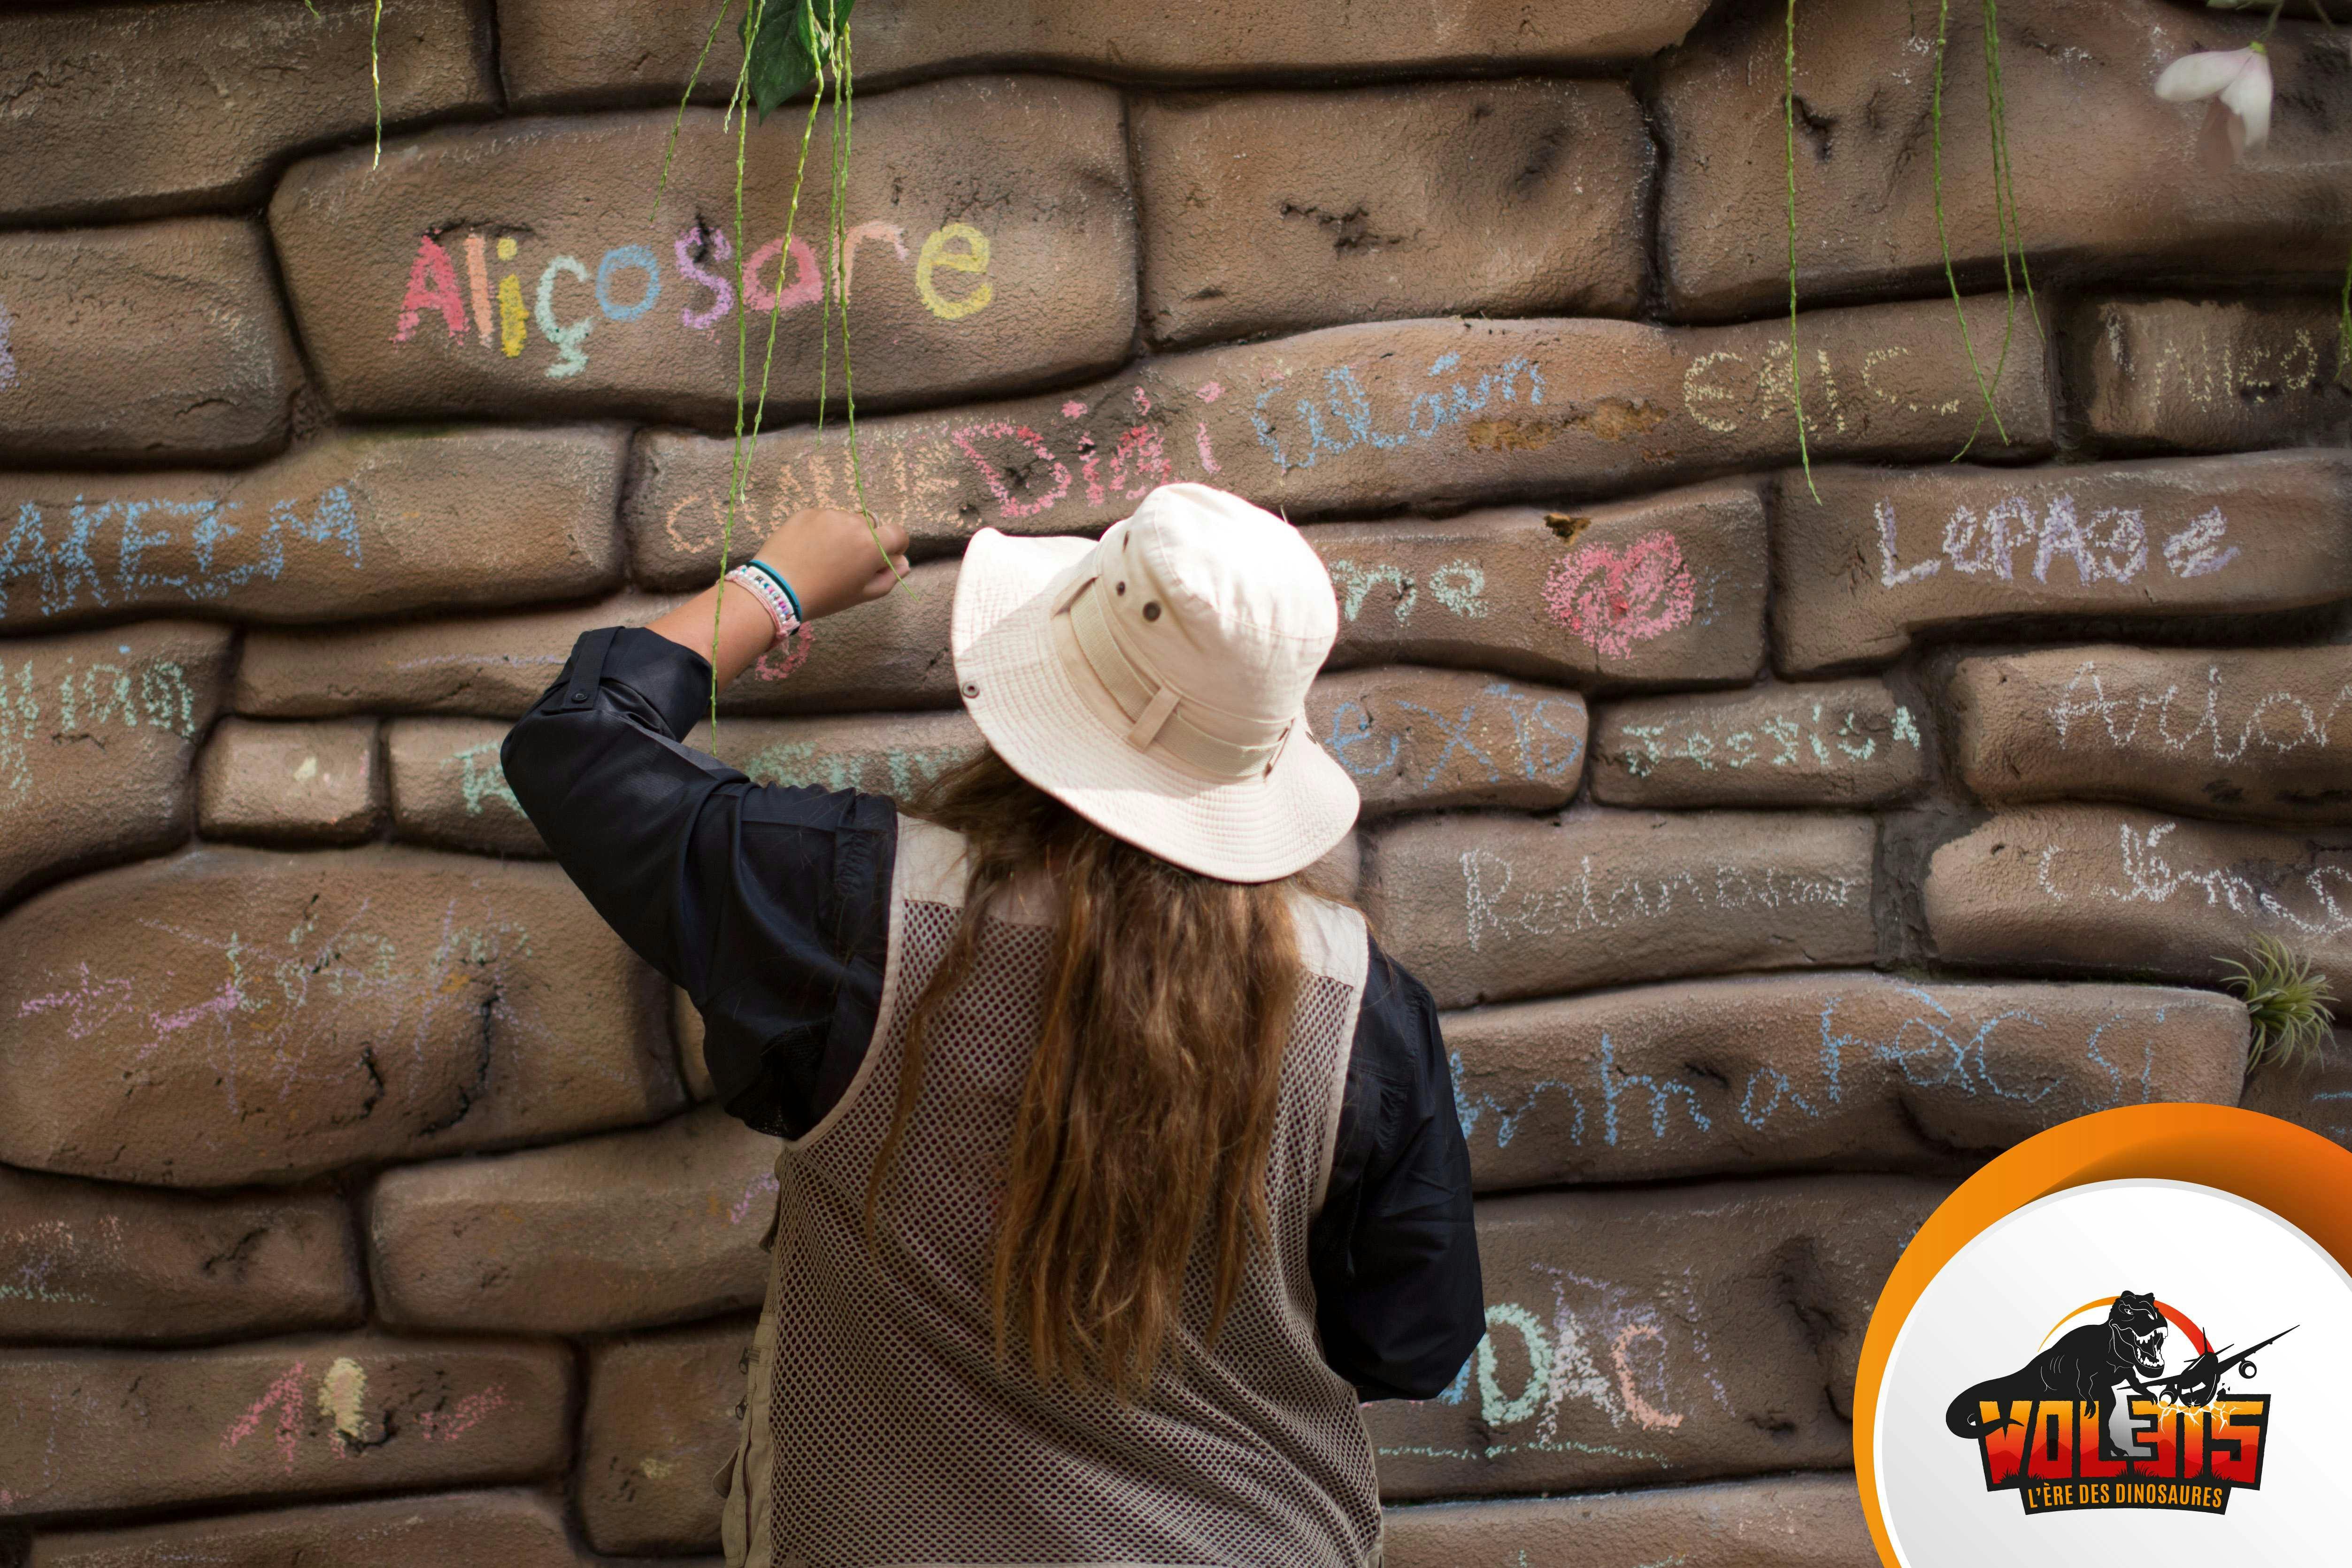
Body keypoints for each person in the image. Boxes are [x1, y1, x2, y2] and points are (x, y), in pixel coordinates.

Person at [503, 483, 1483, 1568]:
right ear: (1263, 744)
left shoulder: (846, 912)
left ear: (1045, 675)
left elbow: (577, 745)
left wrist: (779, 582)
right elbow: (1411, 1341)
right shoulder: (1363, 1007)